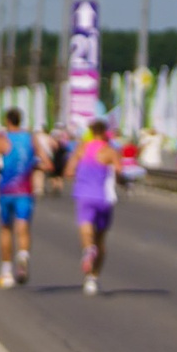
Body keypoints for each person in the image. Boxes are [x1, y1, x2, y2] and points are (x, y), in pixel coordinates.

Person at [0, 108, 40, 287]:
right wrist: (32, 166)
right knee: (23, 226)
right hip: (25, 191)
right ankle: (23, 255)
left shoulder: (2, 140)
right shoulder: (30, 139)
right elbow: (45, 162)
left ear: (7, 120)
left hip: (6, 191)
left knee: (5, 229)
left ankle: (6, 271)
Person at [71, 117, 118, 296]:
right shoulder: (110, 151)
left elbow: (69, 170)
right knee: (101, 239)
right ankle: (93, 279)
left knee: (85, 230)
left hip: (84, 195)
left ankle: (88, 250)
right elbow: (120, 172)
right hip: (104, 198)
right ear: (105, 132)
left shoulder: (82, 148)